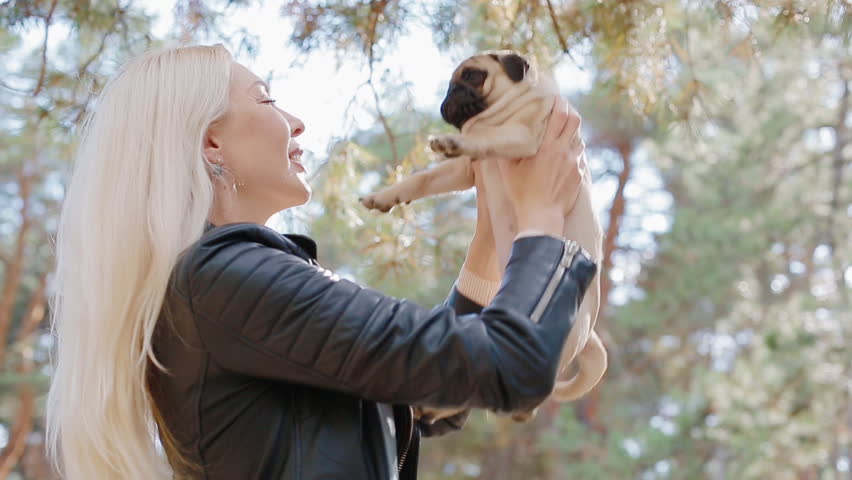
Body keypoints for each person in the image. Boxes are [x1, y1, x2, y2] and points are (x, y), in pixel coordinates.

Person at [45, 44, 596, 480]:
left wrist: (488, 238)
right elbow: (511, 365)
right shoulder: (220, 279)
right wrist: (540, 211)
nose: (297, 120)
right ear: (211, 142)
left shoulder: (222, 288)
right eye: (265, 99)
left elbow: (435, 398)